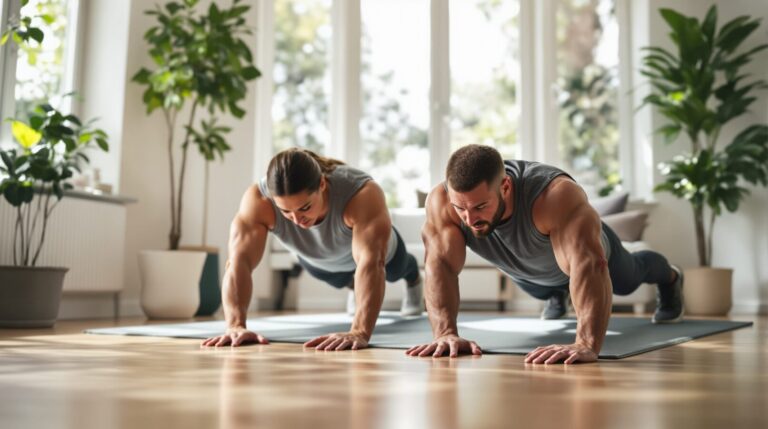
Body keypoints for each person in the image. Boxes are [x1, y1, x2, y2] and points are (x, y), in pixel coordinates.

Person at [406, 144, 683, 364]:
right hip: (527, 269)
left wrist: (586, 343)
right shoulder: (441, 203)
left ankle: (670, 278)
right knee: (540, 289)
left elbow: (589, 265)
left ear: (505, 187)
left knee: (631, 275)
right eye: (460, 208)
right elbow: (439, 265)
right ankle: (556, 294)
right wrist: (445, 333)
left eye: (480, 206)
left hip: (588, 258)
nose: (469, 218)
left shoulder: (553, 195)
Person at [203, 148, 423, 351]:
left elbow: (371, 263)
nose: (297, 220)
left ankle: (414, 280)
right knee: (337, 278)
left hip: (381, 256)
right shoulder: (258, 201)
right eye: (286, 212)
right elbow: (239, 262)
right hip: (317, 261)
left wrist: (359, 331)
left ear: (322, 185)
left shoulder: (361, 193)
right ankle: (354, 287)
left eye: (305, 208)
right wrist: (235, 326)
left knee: (397, 270)